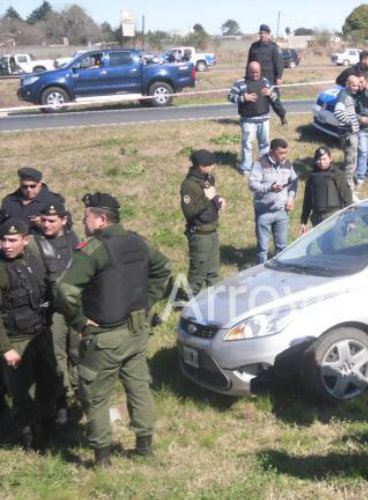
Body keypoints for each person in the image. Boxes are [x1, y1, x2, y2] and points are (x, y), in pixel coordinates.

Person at [56, 192, 172, 467]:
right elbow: (163, 269)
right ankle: (144, 447)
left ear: (102, 219)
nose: (83, 222)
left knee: (96, 396)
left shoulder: (95, 249)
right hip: (137, 332)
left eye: (86, 217)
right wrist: (147, 303)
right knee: (139, 387)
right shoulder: (138, 242)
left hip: (105, 337)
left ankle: (102, 459)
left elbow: (65, 289)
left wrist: (79, 322)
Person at [0, 218, 60, 451]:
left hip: (40, 333)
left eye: (12, 240)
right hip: (16, 339)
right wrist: (6, 348)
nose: (6, 245)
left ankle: (47, 429)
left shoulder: (33, 261)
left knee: (50, 381)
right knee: (21, 392)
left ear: (25, 240)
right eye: (3, 240)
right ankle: (29, 440)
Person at [33, 202, 80, 427]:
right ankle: (62, 401)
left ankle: (81, 397)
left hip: (78, 306)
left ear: (64, 220)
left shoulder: (74, 240)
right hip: (54, 310)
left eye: (52, 220)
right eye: (43, 220)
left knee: (78, 353)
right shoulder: (37, 244)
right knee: (57, 356)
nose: (46, 224)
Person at [180, 149, 225, 295]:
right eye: (210, 164)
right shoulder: (189, 185)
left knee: (214, 273)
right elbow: (189, 212)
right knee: (197, 275)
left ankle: (218, 302)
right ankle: (185, 304)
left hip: (212, 232)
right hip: (200, 235)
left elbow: (212, 197)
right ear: (200, 166)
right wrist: (206, 198)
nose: (213, 166)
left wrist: (219, 200)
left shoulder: (208, 179)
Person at [249, 139, 298, 263]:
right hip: (264, 212)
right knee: (263, 249)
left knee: (282, 246)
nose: (284, 156)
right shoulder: (260, 163)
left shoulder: (287, 164)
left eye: (285, 152)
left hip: (282, 212)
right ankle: (261, 271)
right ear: (272, 151)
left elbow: (294, 181)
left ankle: (280, 270)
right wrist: (269, 188)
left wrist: (291, 197)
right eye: (281, 153)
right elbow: (252, 185)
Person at [228, 62, 273, 175]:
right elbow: (230, 97)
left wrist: (270, 93)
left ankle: (264, 166)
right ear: (247, 71)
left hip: (264, 119)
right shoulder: (240, 83)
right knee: (247, 144)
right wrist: (244, 98)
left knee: (264, 144)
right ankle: (246, 168)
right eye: (252, 72)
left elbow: (275, 96)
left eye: (257, 72)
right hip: (248, 121)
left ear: (260, 71)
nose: (255, 75)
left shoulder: (266, 82)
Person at [300, 147, 353, 233]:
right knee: (322, 245)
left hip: (334, 216)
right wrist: (303, 221)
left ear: (330, 159)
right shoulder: (312, 176)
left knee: (336, 244)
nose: (321, 162)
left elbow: (347, 198)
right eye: (319, 159)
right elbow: (307, 200)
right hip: (317, 217)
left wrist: (350, 219)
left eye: (324, 159)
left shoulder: (338, 174)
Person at [1, 167, 67, 234]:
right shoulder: (9, 200)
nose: (29, 190)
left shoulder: (53, 200)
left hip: (42, 241)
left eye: (32, 186)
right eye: (25, 186)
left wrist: (43, 223)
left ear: (40, 183)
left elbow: (67, 226)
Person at [247, 24, 287, 126]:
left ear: (268, 34)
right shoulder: (254, 46)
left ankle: (282, 117)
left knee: (274, 100)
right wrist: (247, 75)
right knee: (255, 99)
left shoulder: (273, 47)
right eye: (261, 33)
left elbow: (279, 63)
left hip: (270, 79)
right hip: (256, 78)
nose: (262, 35)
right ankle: (256, 119)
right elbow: (249, 63)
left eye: (264, 33)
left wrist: (279, 77)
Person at [334, 74, 361, 196]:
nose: (356, 88)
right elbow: (338, 112)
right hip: (348, 134)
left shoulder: (347, 95)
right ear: (347, 85)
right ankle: (348, 193)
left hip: (351, 133)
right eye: (354, 85)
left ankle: (349, 188)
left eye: (357, 85)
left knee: (350, 161)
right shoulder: (344, 95)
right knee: (351, 163)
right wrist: (350, 123)